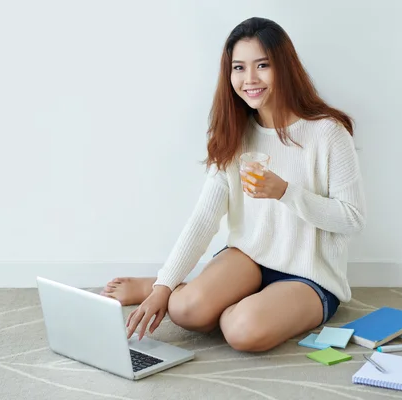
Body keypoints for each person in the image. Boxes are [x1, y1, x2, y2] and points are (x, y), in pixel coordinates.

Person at [100, 16, 366, 352]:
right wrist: (163, 289)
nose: (249, 79)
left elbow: (352, 218)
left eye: (262, 65)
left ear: (285, 67)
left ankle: (226, 300)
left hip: (309, 276)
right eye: (239, 68)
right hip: (248, 258)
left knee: (241, 332)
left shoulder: (327, 133)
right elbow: (203, 219)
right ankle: (164, 284)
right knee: (184, 310)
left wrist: (285, 192)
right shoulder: (235, 134)